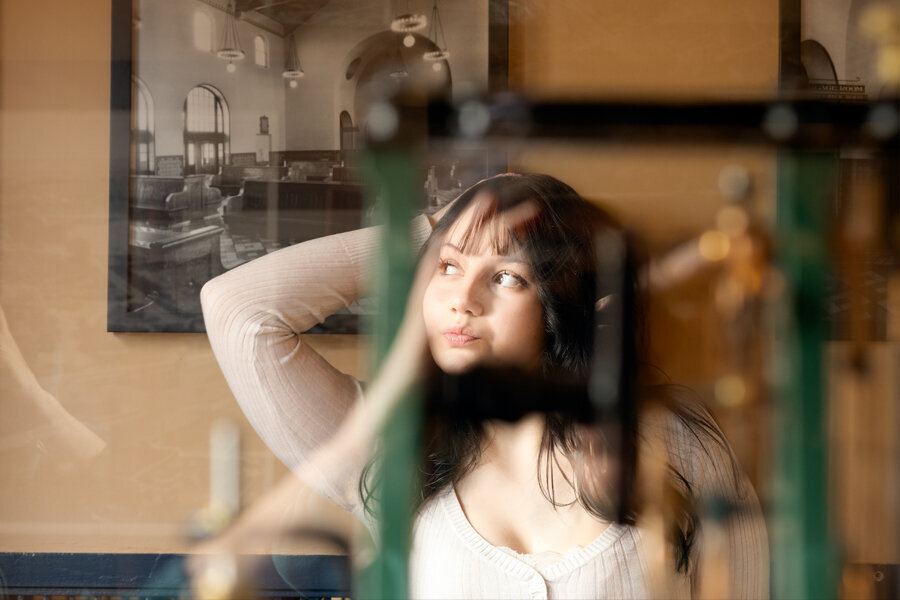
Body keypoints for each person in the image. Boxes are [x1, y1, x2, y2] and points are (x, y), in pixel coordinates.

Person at [200, 173, 768, 599]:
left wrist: (461, 240)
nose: (461, 299)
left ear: (562, 306)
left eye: (505, 276)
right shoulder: (392, 447)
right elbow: (238, 312)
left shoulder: (672, 445)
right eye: (446, 269)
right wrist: (440, 225)